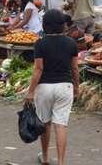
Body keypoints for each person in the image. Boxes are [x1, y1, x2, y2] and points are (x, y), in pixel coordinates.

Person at [25, 9, 79, 165]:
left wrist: (30, 91)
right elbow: (75, 68)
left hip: (44, 88)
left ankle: (46, 157)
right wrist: (77, 86)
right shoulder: (71, 43)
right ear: (62, 25)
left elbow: (38, 69)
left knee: (45, 123)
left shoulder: (40, 44)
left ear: (45, 25)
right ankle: (61, 162)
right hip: (65, 87)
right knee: (61, 124)